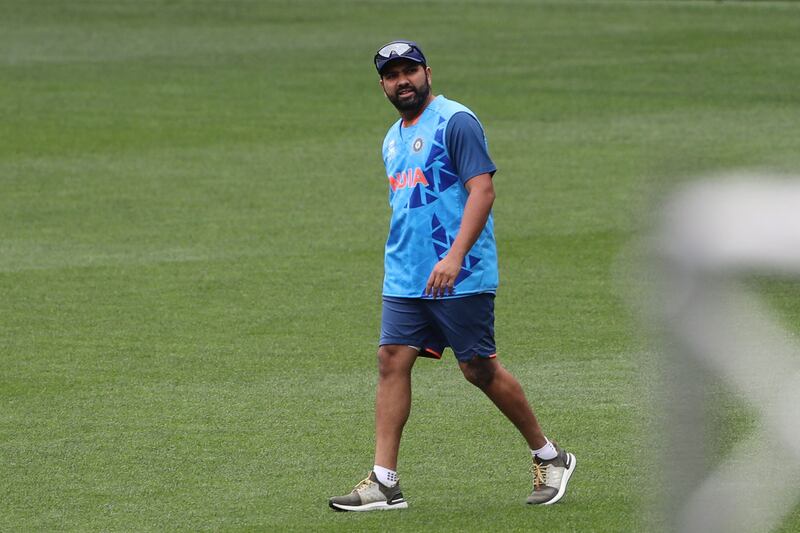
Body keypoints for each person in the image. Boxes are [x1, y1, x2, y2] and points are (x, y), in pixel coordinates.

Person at [328, 40, 576, 512]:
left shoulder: (455, 122)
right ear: (381, 84)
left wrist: (456, 256)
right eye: (391, 74)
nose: (402, 80)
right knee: (391, 360)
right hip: (406, 275)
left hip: (460, 273)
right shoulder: (391, 137)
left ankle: (551, 456)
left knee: (478, 368)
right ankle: (384, 483)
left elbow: (482, 191)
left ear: (427, 72)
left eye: (410, 71)